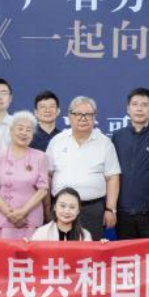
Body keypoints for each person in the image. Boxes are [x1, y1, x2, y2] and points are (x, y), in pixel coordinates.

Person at [13, 187, 95, 297]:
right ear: (55, 207)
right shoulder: (42, 233)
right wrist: (26, 248)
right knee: (55, 287)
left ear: (78, 210)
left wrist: (102, 247)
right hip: (49, 284)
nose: (67, 211)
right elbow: (32, 263)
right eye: (62, 206)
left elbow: (91, 264)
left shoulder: (85, 235)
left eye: (72, 207)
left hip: (74, 284)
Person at [46, 96, 121, 242]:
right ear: (69, 116)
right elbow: (47, 176)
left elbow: (113, 177)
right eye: (78, 114)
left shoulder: (105, 143)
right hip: (61, 209)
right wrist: (48, 208)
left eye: (88, 114)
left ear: (94, 117)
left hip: (92, 209)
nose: (83, 118)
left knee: (91, 250)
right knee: (62, 250)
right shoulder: (57, 141)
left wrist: (111, 209)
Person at [112, 87, 149, 241]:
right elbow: (112, 173)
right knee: (125, 254)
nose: (139, 109)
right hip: (123, 212)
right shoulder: (118, 136)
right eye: (135, 104)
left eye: (144, 105)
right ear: (128, 109)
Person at [0, 111, 49, 240]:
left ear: (32, 135)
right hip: (2, 218)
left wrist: (23, 212)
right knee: (2, 252)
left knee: (29, 253)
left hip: (30, 219)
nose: (24, 133)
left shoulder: (40, 157)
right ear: (11, 131)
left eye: (28, 130)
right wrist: (9, 214)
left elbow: (43, 190)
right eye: (20, 128)